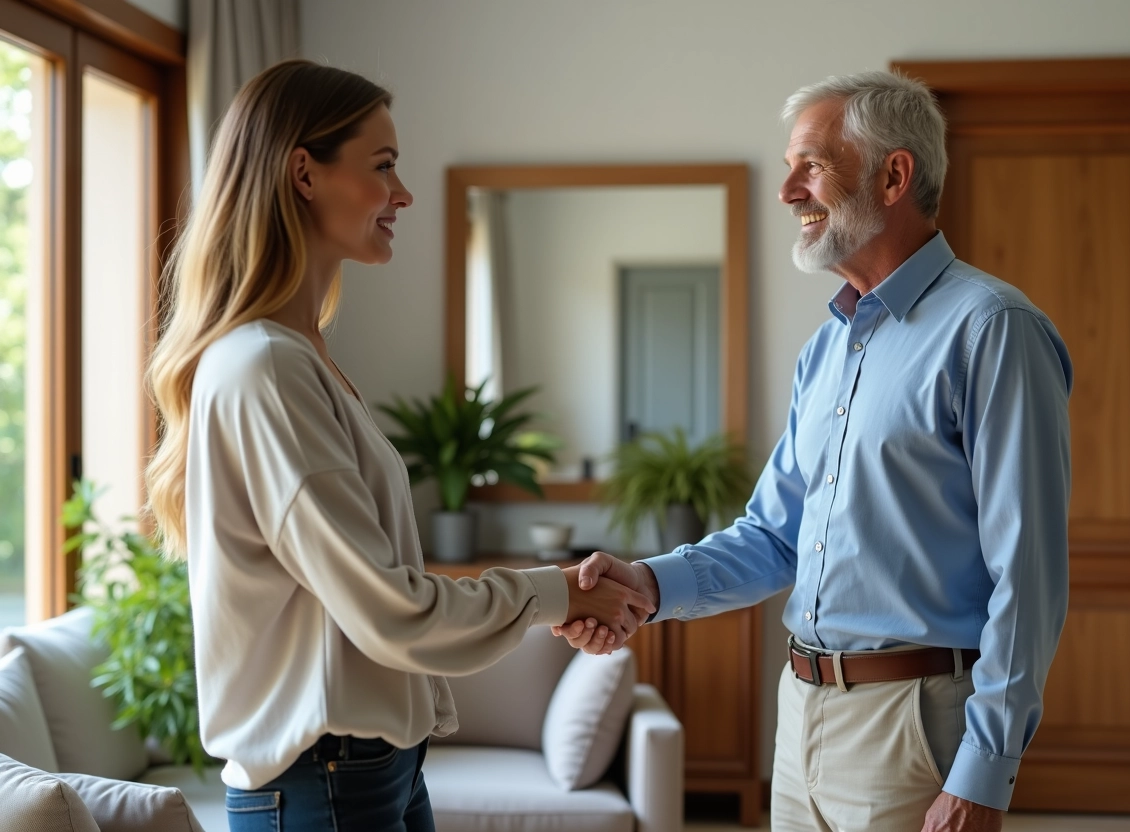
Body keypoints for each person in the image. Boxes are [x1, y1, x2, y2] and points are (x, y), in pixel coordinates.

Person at [556, 70, 1072, 832]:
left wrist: (984, 771)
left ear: (894, 174)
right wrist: (643, 584)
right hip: (799, 717)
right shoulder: (825, 351)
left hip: (914, 725)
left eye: (813, 164)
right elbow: (773, 536)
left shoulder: (992, 329)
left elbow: (1027, 576)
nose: (787, 190)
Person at [145, 59, 652, 832]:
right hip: (326, 784)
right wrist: (560, 592)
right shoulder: (267, 368)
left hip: (369, 772)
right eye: (383, 167)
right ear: (303, 174)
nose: (403, 194)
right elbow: (394, 613)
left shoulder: (296, 357)